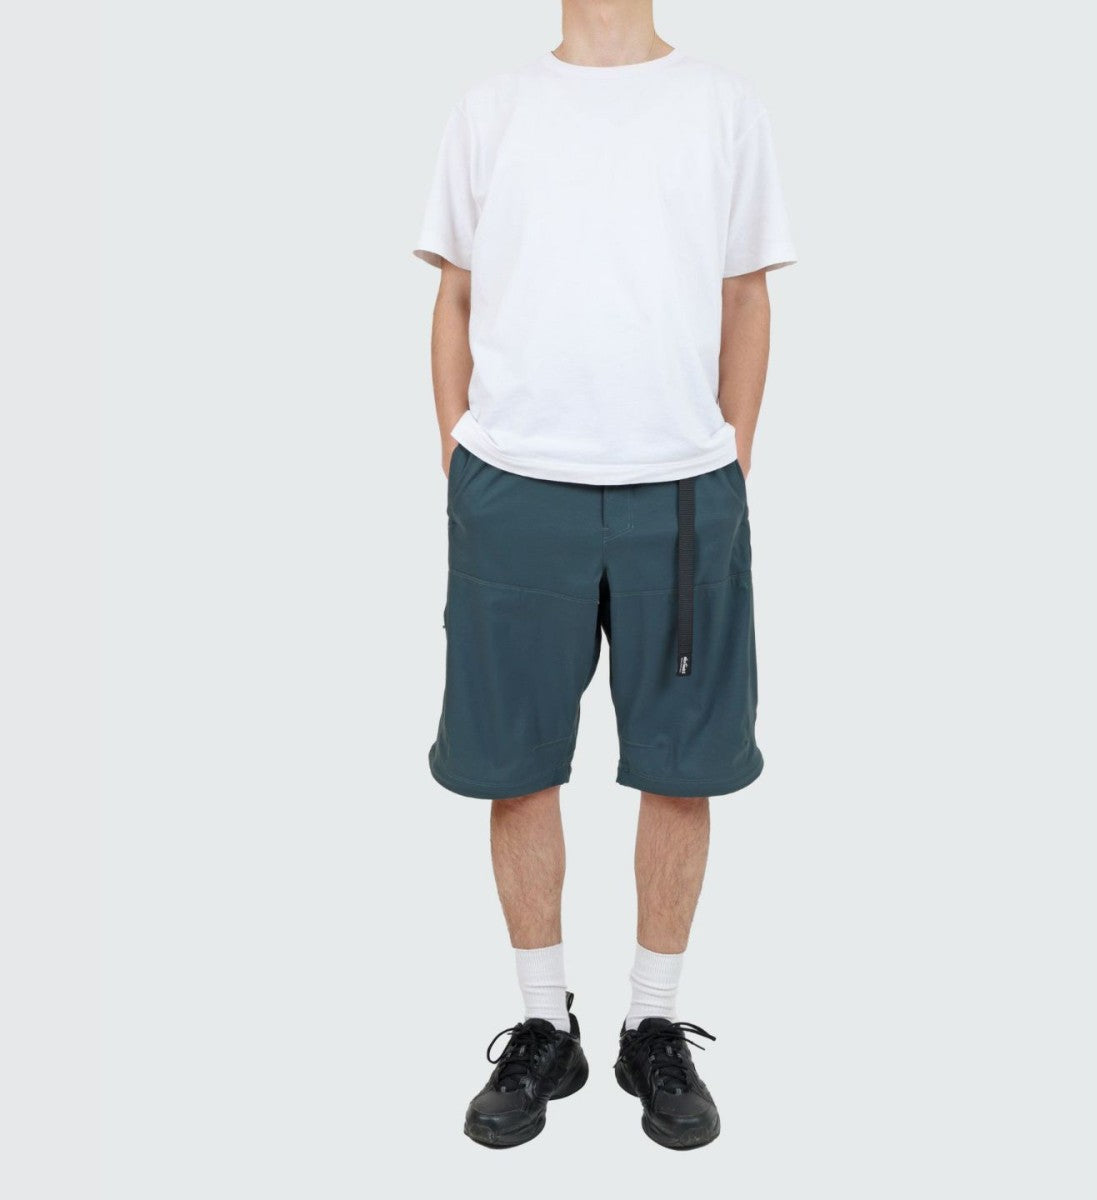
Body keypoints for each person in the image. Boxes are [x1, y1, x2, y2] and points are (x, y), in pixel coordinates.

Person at [414, 0, 794, 1150]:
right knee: (513, 762)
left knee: (683, 763)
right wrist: (459, 462)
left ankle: (653, 1024)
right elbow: (454, 295)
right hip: (515, 485)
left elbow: (746, 296)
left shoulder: (722, 106)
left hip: (680, 490)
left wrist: (729, 463)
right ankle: (545, 1026)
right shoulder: (492, 107)